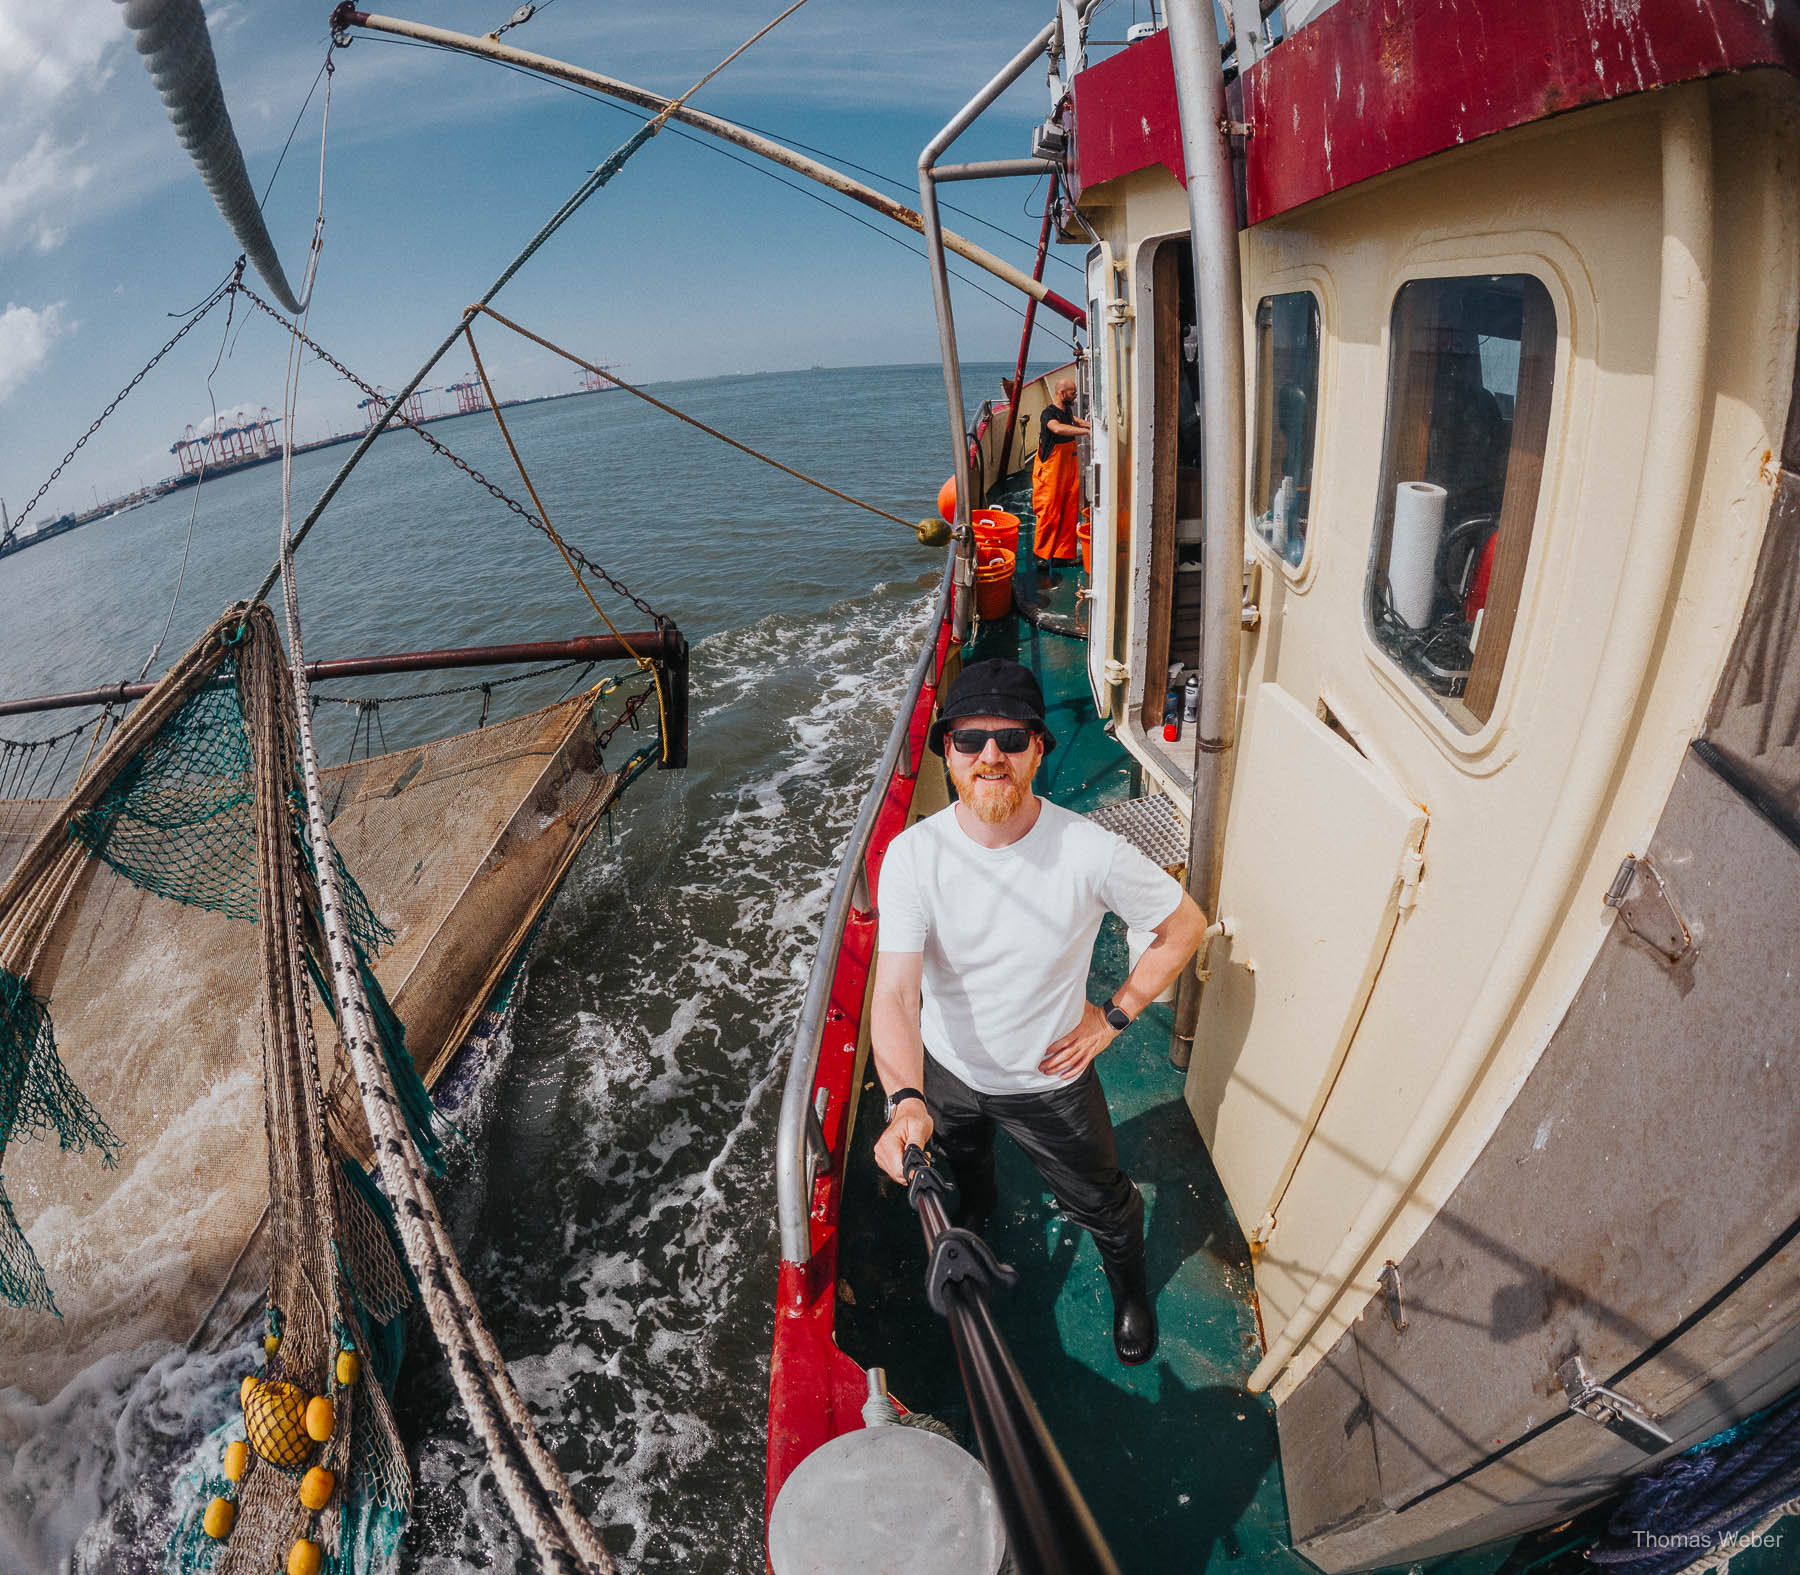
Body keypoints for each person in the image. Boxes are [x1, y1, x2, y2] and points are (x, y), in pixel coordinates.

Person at [870, 658, 1206, 1364]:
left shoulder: (1090, 852)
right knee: (964, 1156)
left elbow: (1184, 926)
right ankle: (980, 1206)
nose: (990, 755)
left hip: (1051, 1080)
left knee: (1104, 1204)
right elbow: (898, 993)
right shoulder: (912, 856)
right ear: (949, 755)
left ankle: (1130, 1288)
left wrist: (1113, 1017)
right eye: (970, 740)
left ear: (1038, 748)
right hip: (949, 1071)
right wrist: (906, 1099)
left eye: (1010, 738)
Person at [1030, 377, 1091, 562]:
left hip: (1067, 469)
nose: (1075, 396)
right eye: (1072, 393)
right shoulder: (1048, 413)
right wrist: (1087, 432)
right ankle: (1041, 555)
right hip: (1050, 471)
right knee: (1049, 511)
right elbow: (1056, 429)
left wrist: (1091, 424)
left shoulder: (1067, 411)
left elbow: (1073, 421)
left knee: (1069, 510)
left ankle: (1062, 555)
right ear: (1062, 393)